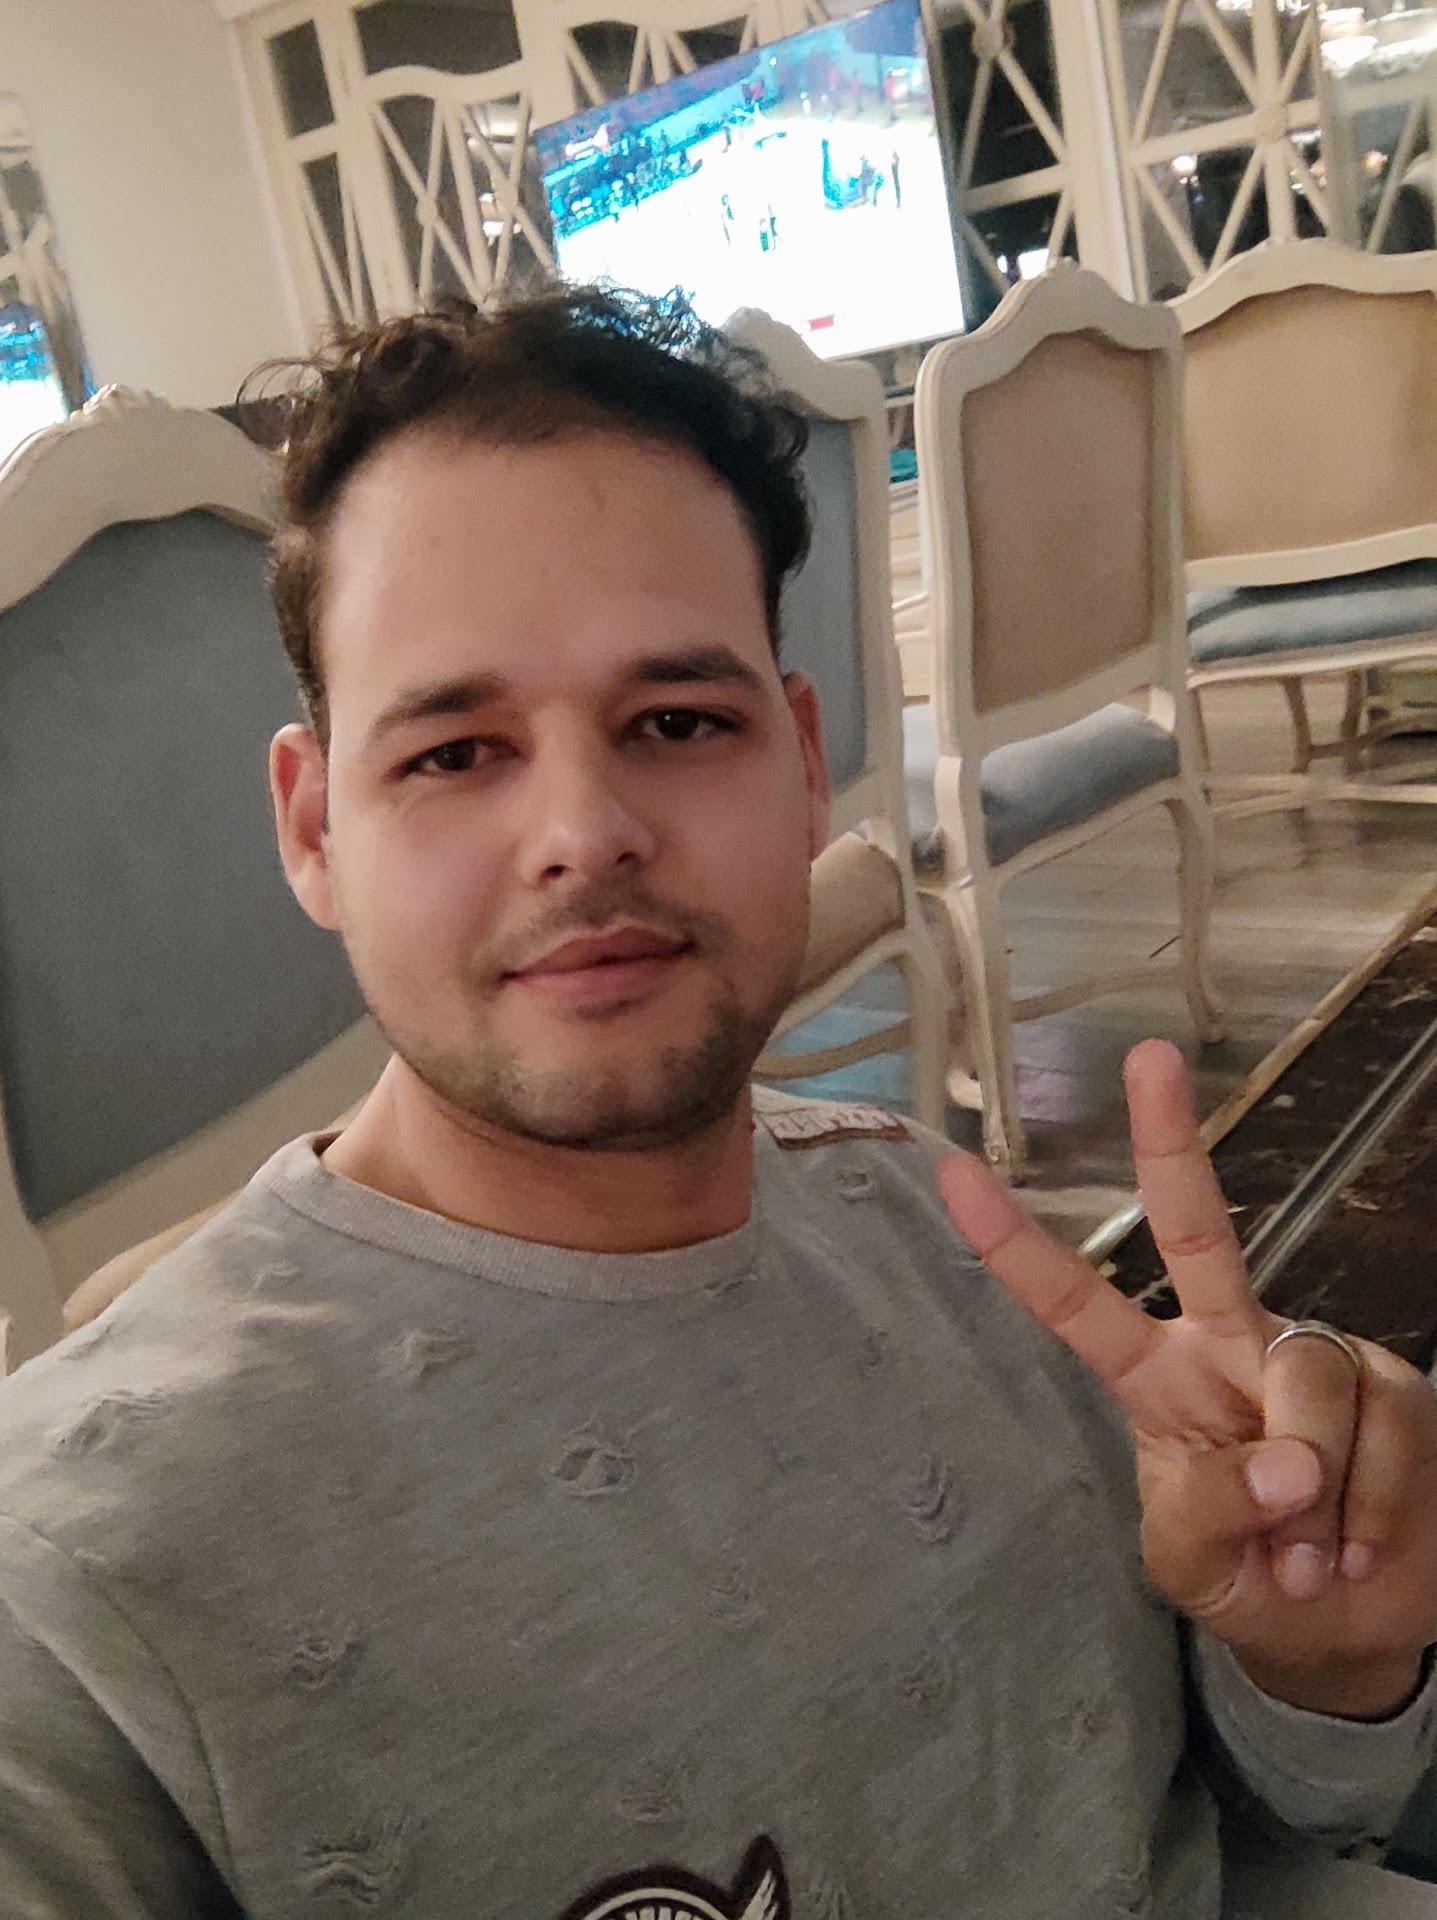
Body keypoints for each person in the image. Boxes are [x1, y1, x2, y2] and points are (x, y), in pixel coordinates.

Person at [1, 284, 1436, 1920]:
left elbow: (1266, 1808)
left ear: (803, 763)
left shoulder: (928, 1221)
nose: (584, 832)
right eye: (454, 751)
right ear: (314, 828)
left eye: (676, 721)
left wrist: (1322, 1654)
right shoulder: (77, 1584)